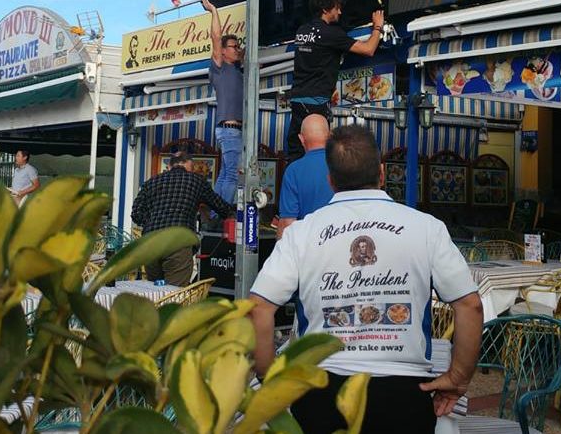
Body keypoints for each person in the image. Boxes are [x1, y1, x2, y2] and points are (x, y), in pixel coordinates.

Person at [249, 126, 483, 434]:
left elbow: (258, 307)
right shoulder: (427, 228)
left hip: (321, 390)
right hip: (403, 394)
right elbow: (469, 304)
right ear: (383, 173)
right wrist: (458, 378)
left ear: (330, 180)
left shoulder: (301, 233)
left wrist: (270, 378)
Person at [286, 0, 385, 161]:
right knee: (319, 154)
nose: (339, 12)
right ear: (325, 9)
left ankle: (294, 184)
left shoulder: (301, 31)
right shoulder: (331, 34)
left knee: (296, 152)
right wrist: (377, 28)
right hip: (316, 103)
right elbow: (368, 49)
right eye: (337, 8)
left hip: (297, 101)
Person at [131, 151, 235, 286]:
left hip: (151, 243)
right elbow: (222, 207)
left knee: (155, 292)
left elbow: (136, 214)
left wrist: (153, 221)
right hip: (178, 242)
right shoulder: (196, 181)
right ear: (187, 165)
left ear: (170, 166)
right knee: (175, 294)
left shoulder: (151, 182)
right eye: (192, 169)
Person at [202, 0, 244, 203]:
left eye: (238, 46)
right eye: (233, 46)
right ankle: (222, 213)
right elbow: (216, 37)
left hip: (229, 128)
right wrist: (214, 11)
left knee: (225, 174)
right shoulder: (220, 67)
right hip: (230, 128)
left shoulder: (237, 69)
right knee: (233, 175)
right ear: (224, 51)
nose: (237, 49)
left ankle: (213, 211)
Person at [276, 114, 333, 238]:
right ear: (329, 136)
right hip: (342, 247)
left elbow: (288, 223)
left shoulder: (293, 171)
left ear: (301, 139)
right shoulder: (344, 165)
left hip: (309, 249)